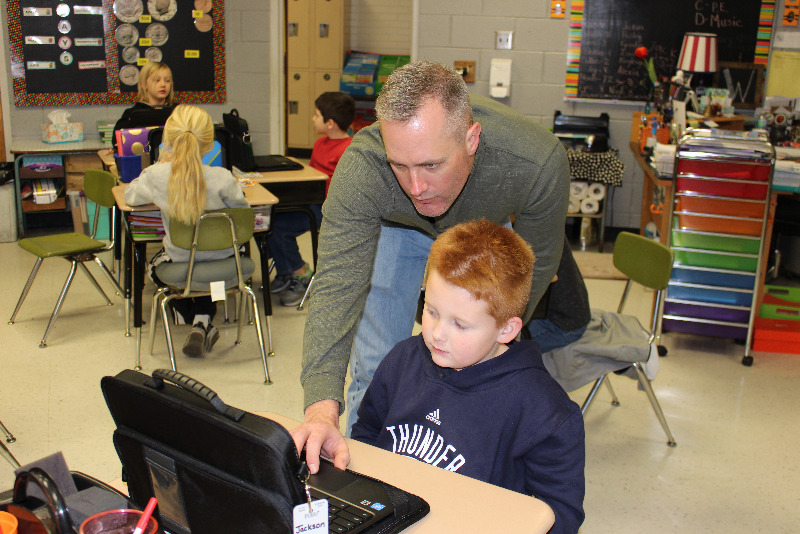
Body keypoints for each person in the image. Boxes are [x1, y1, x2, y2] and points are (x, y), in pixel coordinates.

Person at [291, 61, 570, 473]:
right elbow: (335, 285)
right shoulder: (363, 168)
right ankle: (372, 486)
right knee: (378, 367)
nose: (416, 187)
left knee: (474, 357)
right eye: (399, 166)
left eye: (431, 165)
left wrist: (490, 341)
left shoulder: (536, 162)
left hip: (484, 230)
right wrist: (319, 412)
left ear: (471, 139)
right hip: (395, 229)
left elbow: (537, 264)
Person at [351, 219, 585, 534]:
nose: (437, 334)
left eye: (460, 325)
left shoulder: (546, 412)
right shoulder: (403, 359)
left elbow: (558, 518)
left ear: (506, 329)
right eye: (431, 310)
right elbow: (367, 435)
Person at [124, 104, 248, 357]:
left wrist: (159, 164)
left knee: (154, 269)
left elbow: (131, 196)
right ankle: (202, 320)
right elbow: (242, 212)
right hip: (226, 261)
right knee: (206, 272)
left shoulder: (157, 175)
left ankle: (191, 316)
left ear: (169, 138)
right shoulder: (223, 177)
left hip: (181, 260)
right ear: (209, 142)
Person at [269, 92, 355, 307]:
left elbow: (339, 189)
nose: (313, 119)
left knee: (280, 227)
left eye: (316, 115)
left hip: (326, 209)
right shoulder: (319, 145)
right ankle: (285, 270)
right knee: (268, 219)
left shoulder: (348, 150)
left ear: (331, 123)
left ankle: (300, 272)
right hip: (310, 202)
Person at [525, 234, 591, 353]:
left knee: (493, 349)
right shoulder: (547, 224)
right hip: (567, 313)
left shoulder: (534, 235)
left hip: (562, 324)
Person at [112, 61, 175, 152]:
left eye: (167, 81)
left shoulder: (179, 112)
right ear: (143, 84)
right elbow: (117, 144)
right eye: (157, 80)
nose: (163, 85)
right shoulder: (131, 115)